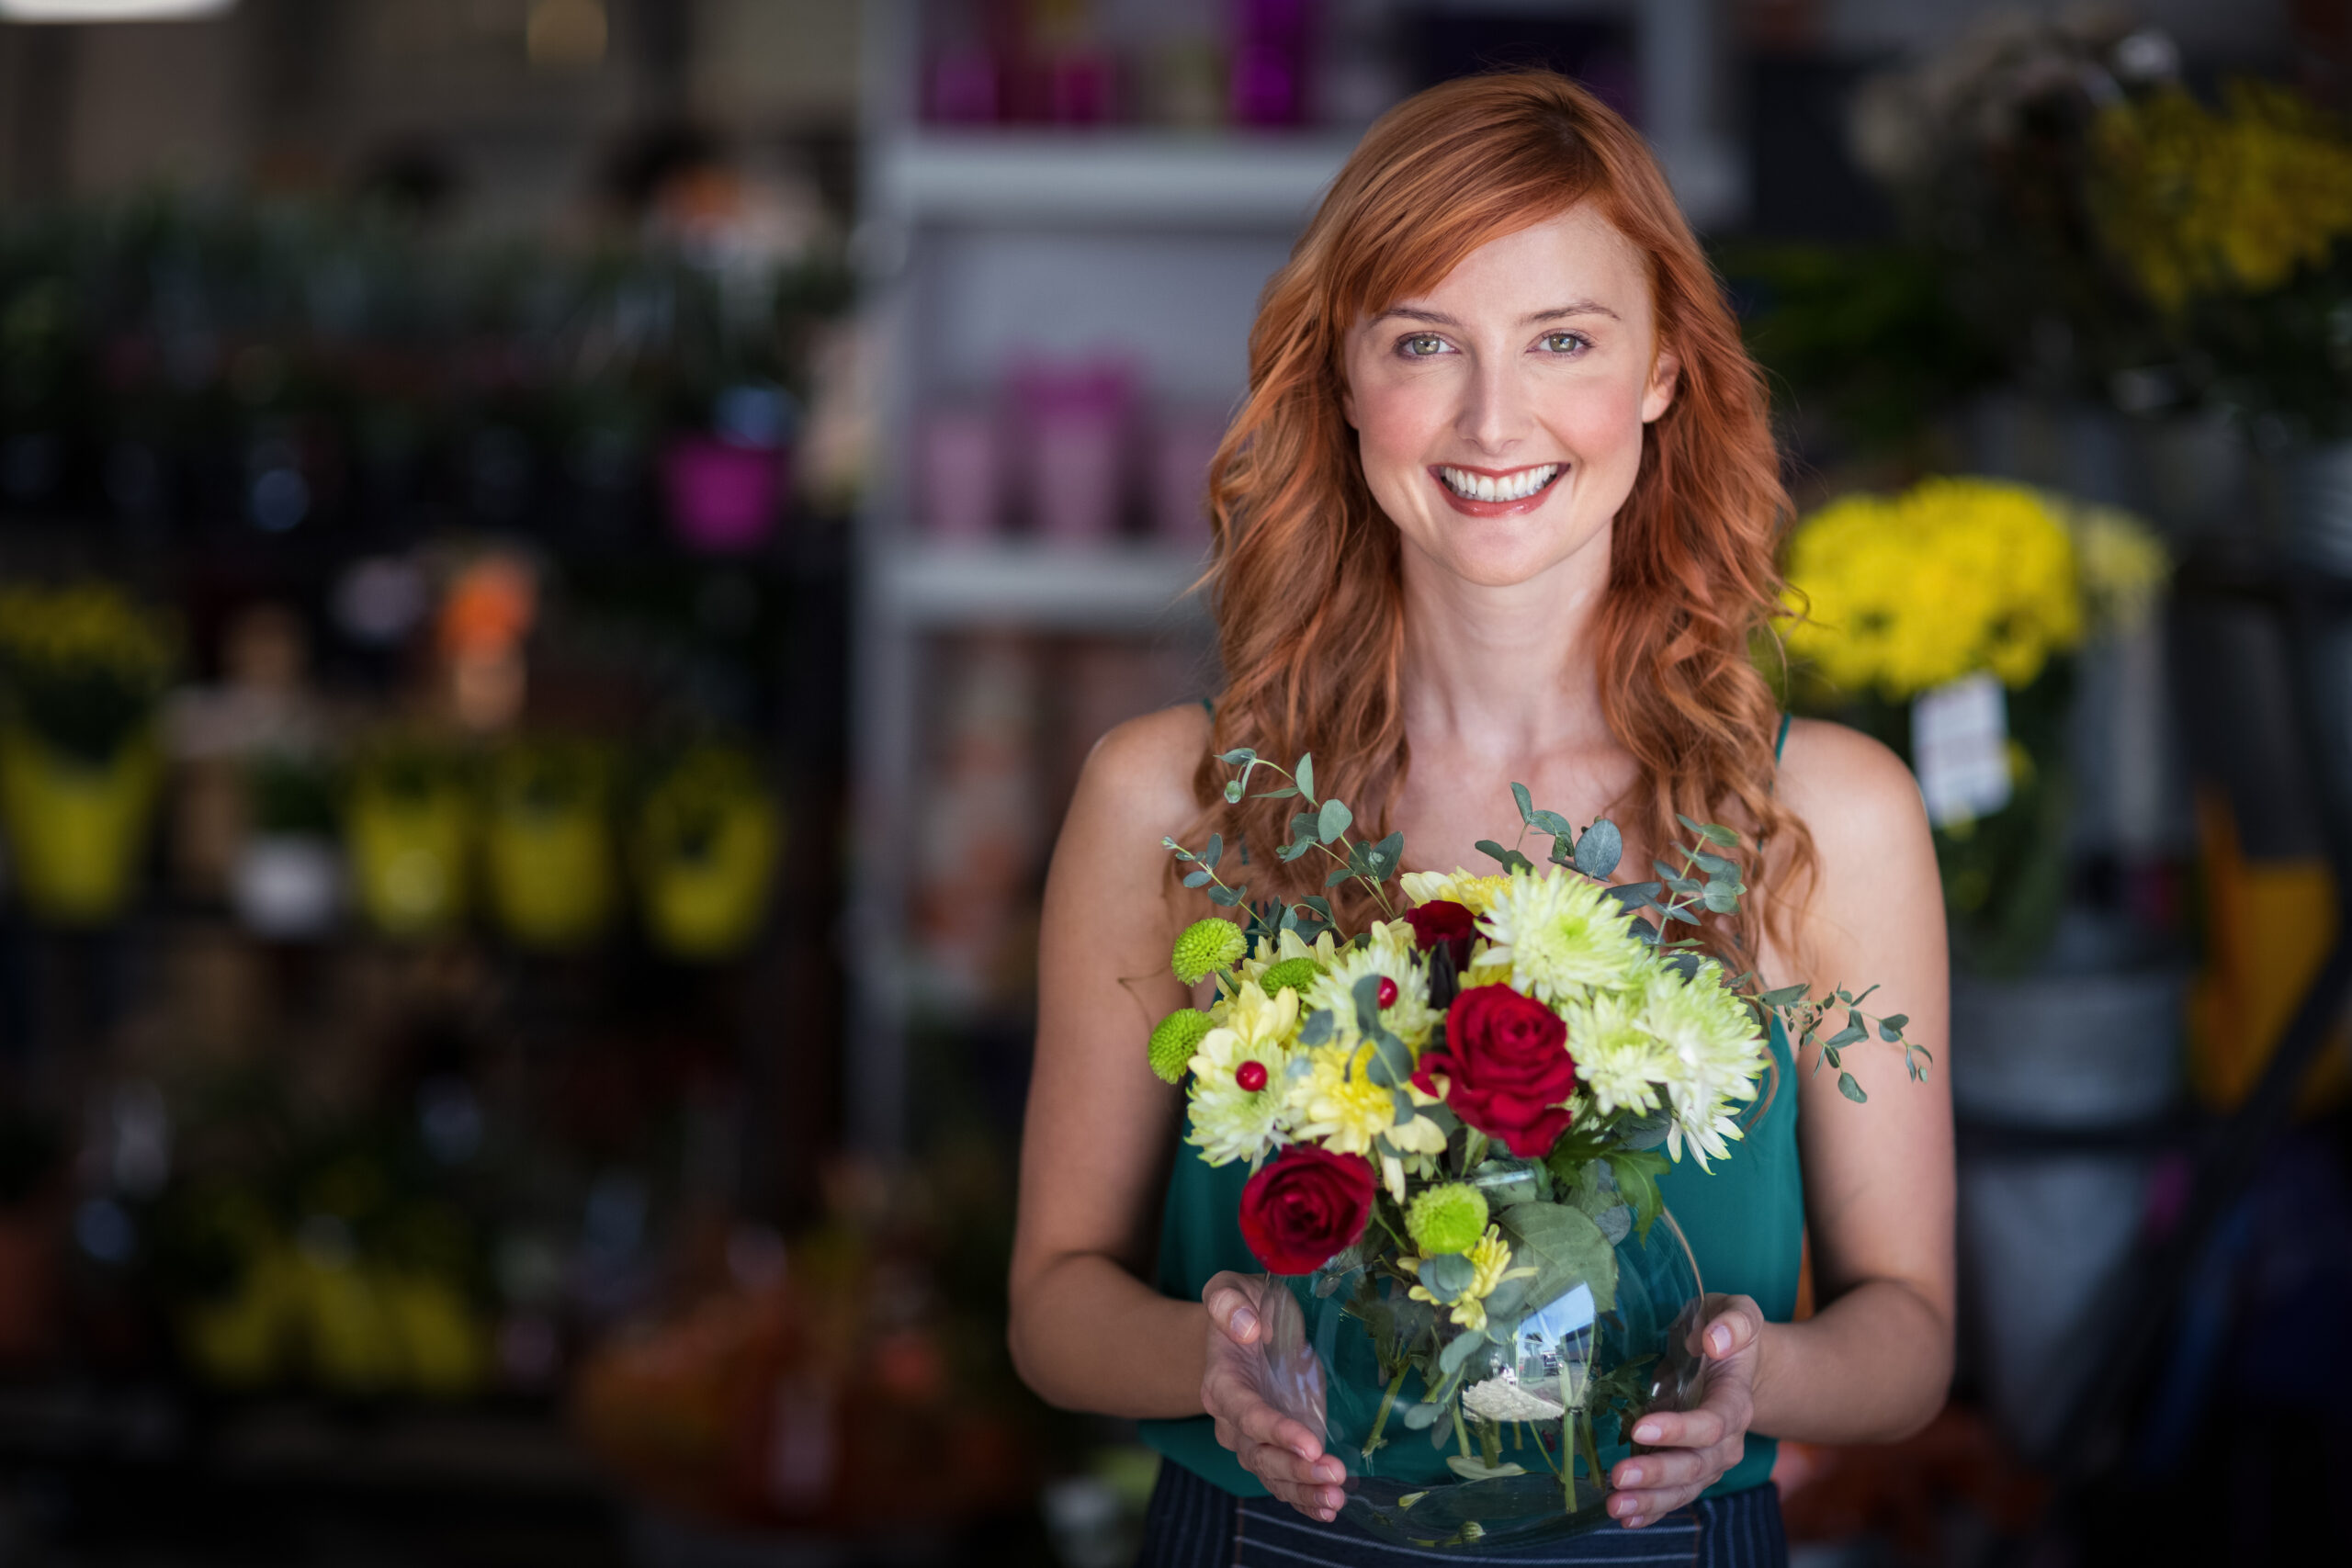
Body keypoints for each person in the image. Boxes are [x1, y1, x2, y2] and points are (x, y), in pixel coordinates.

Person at [1007, 72, 1952, 1566]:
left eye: (1563, 340)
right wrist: (1208, 1362)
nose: (1493, 417)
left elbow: (1907, 1337)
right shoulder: (1173, 804)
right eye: (1424, 343)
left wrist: (1760, 1379)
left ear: (1664, 371)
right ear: (1340, 378)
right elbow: (1056, 1306)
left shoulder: (1819, 814)